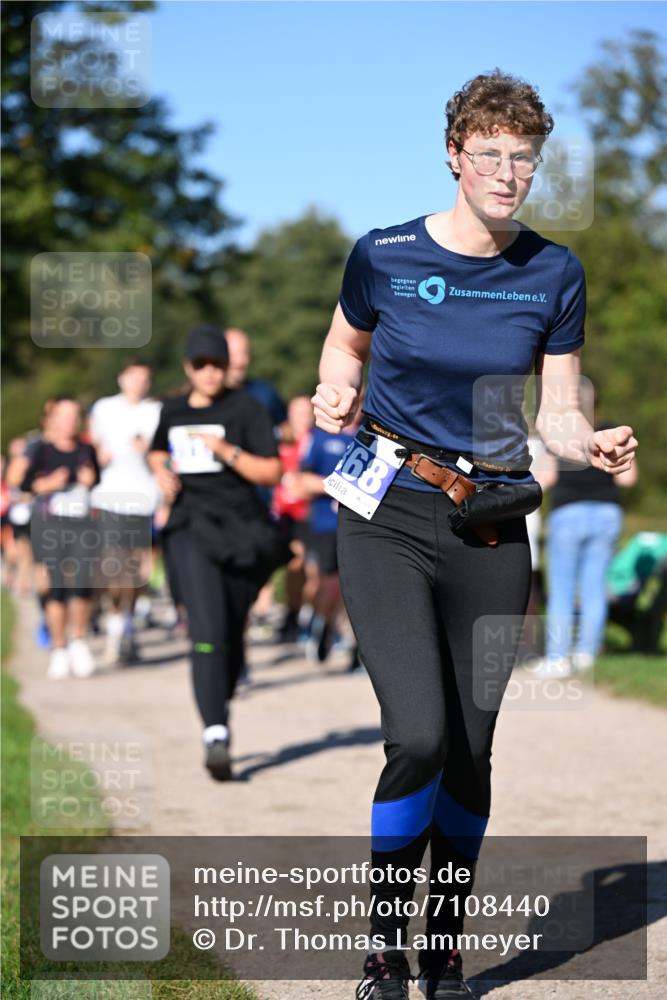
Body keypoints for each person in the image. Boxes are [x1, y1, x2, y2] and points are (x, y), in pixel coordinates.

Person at [311, 70, 638, 999]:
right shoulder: (381, 253)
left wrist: (588, 441)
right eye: (488, 154)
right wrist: (335, 387)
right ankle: (383, 946)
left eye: (521, 158)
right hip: (388, 510)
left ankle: (444, 942)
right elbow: (345, 345)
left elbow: (559, 407)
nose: (505, 172)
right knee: (416, 734)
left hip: (492, 523)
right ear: (453, 156)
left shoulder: (552, 272)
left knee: (472, 745)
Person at [147, 326, 285, 781]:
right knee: (206, 630)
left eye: (217, 364)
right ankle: (215, 733)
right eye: (201, 364)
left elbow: (271, 472)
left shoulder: (246, 408)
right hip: (190, 528)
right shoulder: (173, 409)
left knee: (228, 630)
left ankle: (219, 710)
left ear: (228, 367)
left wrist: (226, 451)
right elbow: (155, 452)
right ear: (189, 367)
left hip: (243, 534)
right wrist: (163, 474)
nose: (209, 373)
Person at [534, 424, 638, 676]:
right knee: (595, 586)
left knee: (562, 589)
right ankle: (586, 654)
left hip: (568, 514)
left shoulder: (558, 434)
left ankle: (558, 658)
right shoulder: (611, 433)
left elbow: (542, 479)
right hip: (606, 514)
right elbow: (628, 478)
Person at [20, 397, 101, 679]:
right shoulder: (40, 449)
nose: (69, 421)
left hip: (81, 523)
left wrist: (91, 480)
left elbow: (97, 481)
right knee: (55, 587)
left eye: (73, 415)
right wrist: (49, 484)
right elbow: (24, 483)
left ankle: (78, 641)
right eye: (63, 415)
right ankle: (58, 648)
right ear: (52, 418)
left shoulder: (86, 448)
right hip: (49, 524)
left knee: (80, 585)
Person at [88, 359, 162, 664]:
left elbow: (162, 455)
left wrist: (148, 452)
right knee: (111, 566)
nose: (138, 383)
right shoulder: (104, 408)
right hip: (109, 497)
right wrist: (97, 457)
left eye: (144, 378)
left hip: (144, 497)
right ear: (122, 379)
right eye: (134, 377)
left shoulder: (155, 411)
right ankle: (114, 620)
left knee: (135, 569)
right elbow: (91, 446)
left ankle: (125, 626)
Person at [271, 395, 314, 643]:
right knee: (292, 565)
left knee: (306, 567)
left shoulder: (318, 440)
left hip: (310, 513)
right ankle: (289, 612)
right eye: (297, 412)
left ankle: (300, 614)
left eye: (306, 412)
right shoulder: (279, 441)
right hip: (282, 514)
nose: (302, 417)